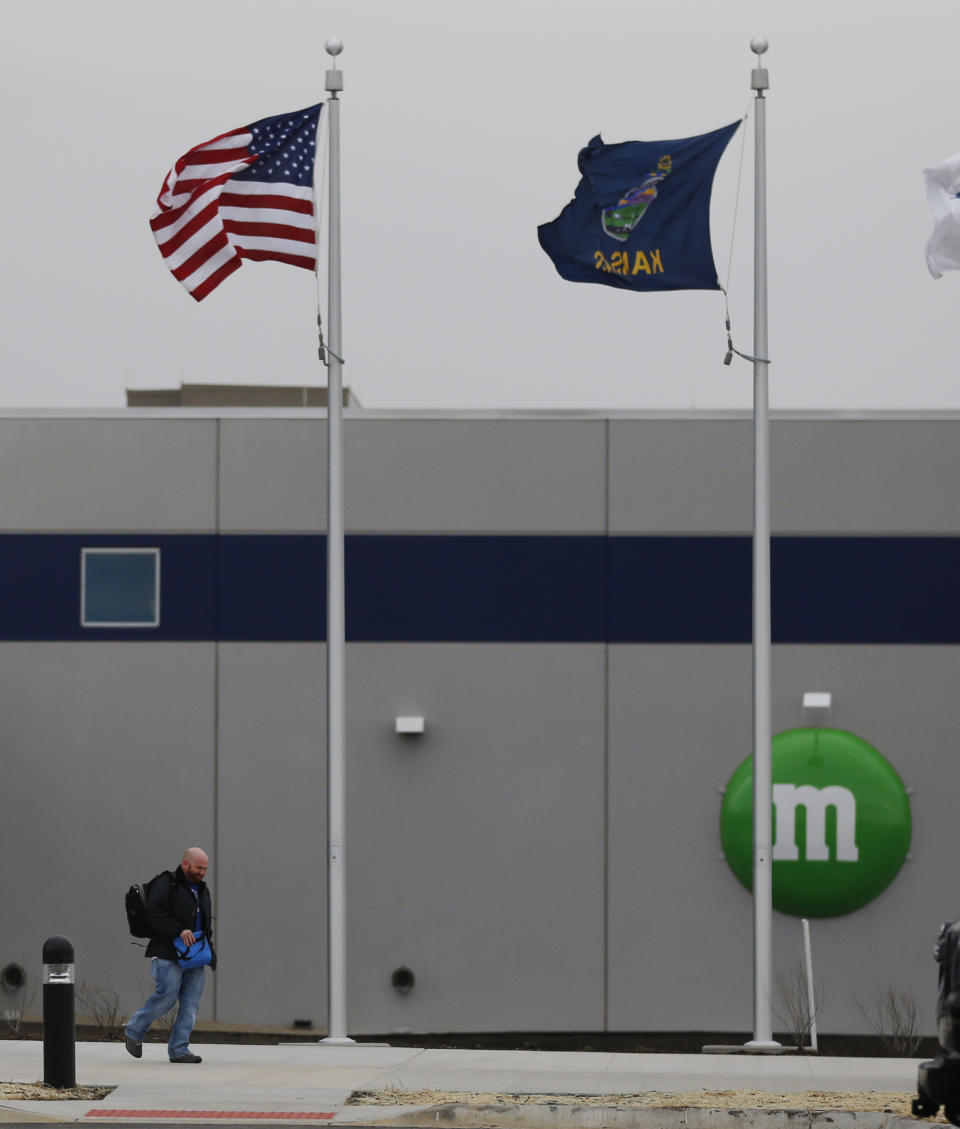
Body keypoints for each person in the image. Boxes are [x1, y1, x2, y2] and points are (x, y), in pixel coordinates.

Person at [124, 847, 216, 1064]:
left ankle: (179, 1049)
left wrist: (210, 953)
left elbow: (205, 925)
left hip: (194, 955)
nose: (202, 873)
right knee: (166, 996)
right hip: (167, 952)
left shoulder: (202, 890)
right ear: (186, 864)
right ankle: (134, 1030)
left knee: (191, 1003)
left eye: (205, 869)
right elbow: (156, 914)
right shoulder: (166, 883)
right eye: (198, 868)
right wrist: (179, 930)